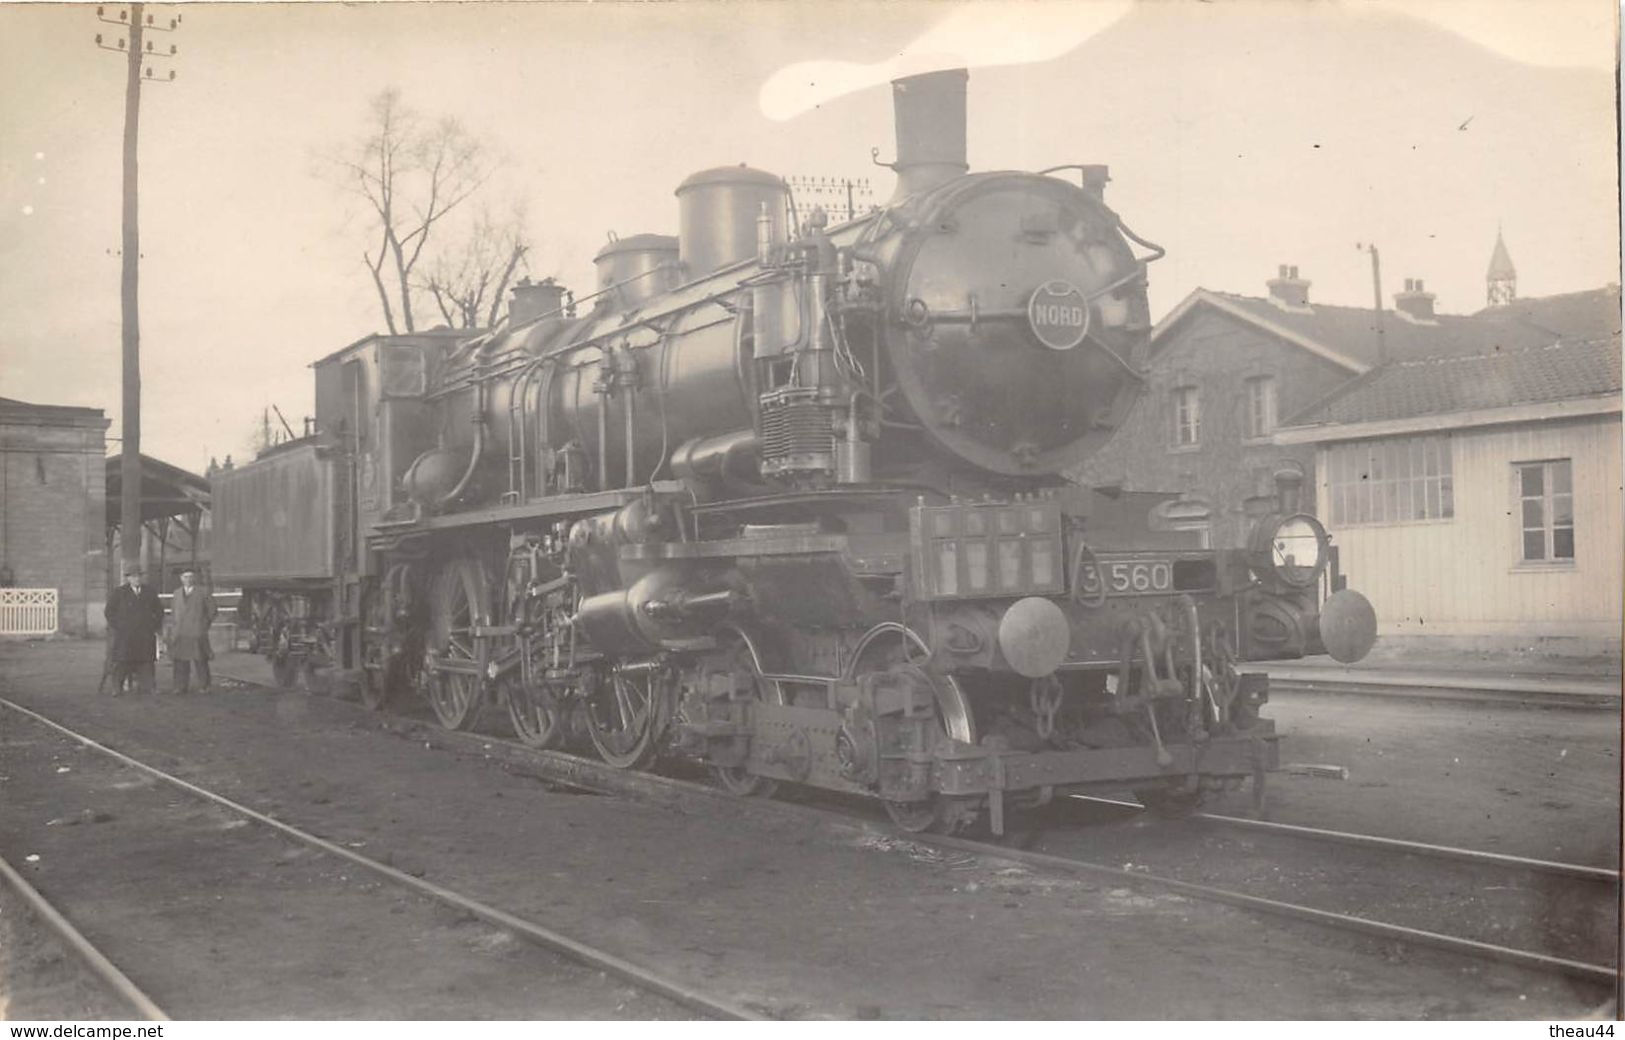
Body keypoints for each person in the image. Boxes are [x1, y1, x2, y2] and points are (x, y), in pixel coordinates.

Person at [105, 563, 163, 696]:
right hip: (126, 636)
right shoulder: (119, 593)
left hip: (145, 635)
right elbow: (109, 612)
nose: (137, 579)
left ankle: (149, 687)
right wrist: (119, 626)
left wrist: (152, 626)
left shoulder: (150, 592)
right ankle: (117, 688)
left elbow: (159, 611)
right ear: (128, 579)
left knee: (147, 662)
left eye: (139, 577)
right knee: (122, 662)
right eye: (133, 577)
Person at [166, 568, 216, 694]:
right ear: (181, 578)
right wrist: (174, 628)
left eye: (190, 576)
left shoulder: (203, 592)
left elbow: (212, 611)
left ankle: (204, 685)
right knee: (180, 661)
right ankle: (180, 686)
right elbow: (174, 612)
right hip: (181, 632)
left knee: (200, 659)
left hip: (197, 631)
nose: (187, 579)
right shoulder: (177, 593)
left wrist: (203, 625)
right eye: (185, 577)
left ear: (194, 578)